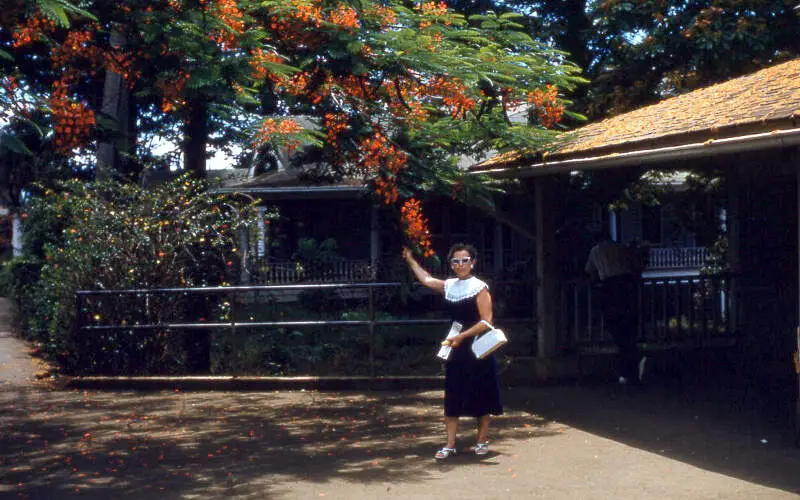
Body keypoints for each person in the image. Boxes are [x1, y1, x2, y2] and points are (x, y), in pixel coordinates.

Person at [402, 243, 503, 460]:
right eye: (455, 261)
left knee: (482, 392)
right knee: (453, 393)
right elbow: (427, 280)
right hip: (455, 346)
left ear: (473, 262)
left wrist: (462, 336)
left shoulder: (480, 287)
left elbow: (487, 321)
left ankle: (482, 440)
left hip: (477, 346)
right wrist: (410, 260)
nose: (460, 265)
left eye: (465, 260)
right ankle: (450, 443)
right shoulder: (450, 285)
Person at [585, 232, 645, 385]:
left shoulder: (595, 251)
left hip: (610, 286)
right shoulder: (620, 247)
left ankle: (627, 362)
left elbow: (590, 272)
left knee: (615, 324)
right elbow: (634, 265)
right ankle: (632, 362)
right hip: (627, 284)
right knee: (628, 323)